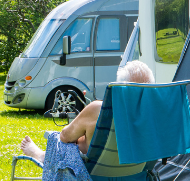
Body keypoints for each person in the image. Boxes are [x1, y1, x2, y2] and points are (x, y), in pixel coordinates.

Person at [19, 60, 155, 160]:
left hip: (97, 173)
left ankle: (41, 155)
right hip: (136, 174)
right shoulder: (156, 112)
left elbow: (65, 136)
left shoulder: (98, 109)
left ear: (120, 87)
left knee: (65, 138)